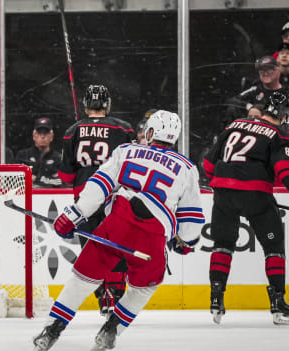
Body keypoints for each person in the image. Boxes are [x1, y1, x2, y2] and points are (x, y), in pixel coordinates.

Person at [33, 110, 204, 351]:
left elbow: (98, 186)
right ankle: (111, 328)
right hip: (152, 235)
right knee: (144, 287)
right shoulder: (187, 168)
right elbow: (191, 218)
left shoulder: (127, 151)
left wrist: (73, 215)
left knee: (82, 279)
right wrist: (184, 241)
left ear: (150, 132)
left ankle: (52, 330)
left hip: (117, 224)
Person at [203, 91, 289, 326]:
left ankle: (216, 299)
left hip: (224, 192)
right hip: (256, 194)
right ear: (286, 115)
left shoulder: (235, 124)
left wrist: (226, 184)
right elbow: (286, 171)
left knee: (223, 245)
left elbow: (207, 164)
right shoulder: (279, 134)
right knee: (274, 247)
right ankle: (278, 303)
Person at [57, 84, 134, 314]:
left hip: (84, 196)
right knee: (116, 245)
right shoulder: (124, 129)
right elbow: (130, 167)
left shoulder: (73, 130)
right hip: (113, 194)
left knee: (92, 248)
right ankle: (116, 294)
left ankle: (103, 295)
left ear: (85, 105)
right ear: (108, 105)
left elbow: (65, 175)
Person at [15, 117, 62, 187]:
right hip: (26, 196)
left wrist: (36, 179)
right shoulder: (23, 156)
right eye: (39, 133)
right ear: (34, 136)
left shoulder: (59, 158)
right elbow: (16, 179)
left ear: (51, 136)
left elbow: (60, 182)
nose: (42, 136)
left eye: (46, 133)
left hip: (51, 196)